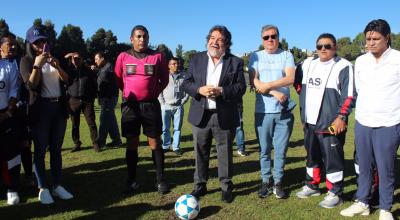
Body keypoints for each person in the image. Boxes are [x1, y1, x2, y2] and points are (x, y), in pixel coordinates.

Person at [340, 19, 400, 220]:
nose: (371, 43)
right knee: (363, 166)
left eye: (376, 39)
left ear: (387, 38)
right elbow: (355, 92)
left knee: (386, 168)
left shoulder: (398, 59)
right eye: (368, 39)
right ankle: (362, 202)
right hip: (363, 121)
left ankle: (385, 208)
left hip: (389, 123)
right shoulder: (361, 61)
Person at [181, 25, 246, 203]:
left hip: (223, 115)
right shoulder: (196, 59)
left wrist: (221, 91)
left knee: (224, 153)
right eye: (212, 37)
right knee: (200, 152)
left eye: (220, 39)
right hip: (200, 115)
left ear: (227, 43)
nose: (214, 42)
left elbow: (241, 87)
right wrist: (199, 90)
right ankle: (200, 185)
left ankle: (226, 187)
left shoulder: (236, 62)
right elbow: (186, 83)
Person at [294, 33, 355, 208]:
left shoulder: (344, 66)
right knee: (311, 156)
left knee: (332, 159)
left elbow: (349, 95)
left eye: (327, 46)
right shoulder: (307, 64)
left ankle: (335, 192)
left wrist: (341, 117)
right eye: (319, 46)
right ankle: (312, 185)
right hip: (309, 122)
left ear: (334, 47)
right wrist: (305, 105)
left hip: (331, 123)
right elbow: (297, 83)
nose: (323, 49)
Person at [20, 25, 72, 204]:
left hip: (59, 107)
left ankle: (57, 185)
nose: (41, 45)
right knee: (40, 151)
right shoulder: (26, 61)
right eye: (36, 42)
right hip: (40, 109)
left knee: (56, 149)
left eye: (43, 40)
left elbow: (67, 80)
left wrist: (57, 65)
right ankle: (43, 187)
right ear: (30, 44)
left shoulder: (55, 57)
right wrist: (37, 65)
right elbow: (31, 85)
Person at [114, 25, 169, 194]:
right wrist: (130, 94)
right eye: (138, 36)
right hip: (130, 106)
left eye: (145, 36)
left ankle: (160, 180)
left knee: (155, 141)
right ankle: (131, 180)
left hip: (150, 105)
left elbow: (164, 80)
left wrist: (152, 93)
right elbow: (118, 79)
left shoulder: (157, 56)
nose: (142, 39)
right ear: (131, 39)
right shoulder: (123, 56)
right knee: (132, 142)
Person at [248, 25, 295, 199]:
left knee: (281, 150)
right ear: (262, 40)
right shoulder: (256, 56)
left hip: (283, 112)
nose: (270, 40)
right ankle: (265, 181)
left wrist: (266, 85)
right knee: (265, 150)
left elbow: (290, 78)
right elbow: (254, 82)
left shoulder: (286, 55)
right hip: (263, 112)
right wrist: (274, 91)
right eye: (266, 37)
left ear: (278, 37)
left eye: (273, 36)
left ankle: (278, 182)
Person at [0, 34, 21, 205]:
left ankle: (12, 188)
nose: (13, 47)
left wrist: (7, 113)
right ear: (1, 47)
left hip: (6, 115)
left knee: (11, 153)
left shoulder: (11, 66)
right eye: (9, 45)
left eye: (14, 45)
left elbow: (14, 91)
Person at [65, 52, 99, 152]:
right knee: (75, 124)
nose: (76, 60)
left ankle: (95, 143)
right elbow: (60, 61)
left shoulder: (89, 71)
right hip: (73, 100)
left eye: (78, 58)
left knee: (91, 123)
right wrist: (69, 55)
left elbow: (95, 85)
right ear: (71, 60)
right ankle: (77, 144)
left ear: (82, 59)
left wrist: (92, 98)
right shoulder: (68, 71)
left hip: (87, 100)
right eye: (74, 59)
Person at [158, 57, 189, 155]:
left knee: (177, 128)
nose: (176, 65)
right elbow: (159, 90)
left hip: (178, 107)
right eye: (173, 64)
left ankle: (176, 147)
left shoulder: (183, 77)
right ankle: (166, 146)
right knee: (165, 128)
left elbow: (187, 91)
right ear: (169, 65)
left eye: (177, 64)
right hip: (165, 106)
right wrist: (162, 102)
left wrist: (183, 101)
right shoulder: (164, 76)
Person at [92, 52, 122, 148]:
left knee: (104, 120)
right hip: (107, 97)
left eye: (97, 59)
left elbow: (103, 81)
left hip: (108, 98)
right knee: (111, 120)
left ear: (102, 59)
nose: (95, 61)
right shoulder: (104, 68)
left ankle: (101, 142)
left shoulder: (108, 69)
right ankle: (116, 140)